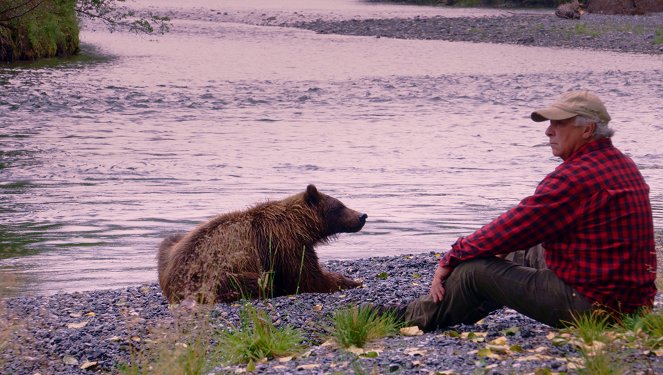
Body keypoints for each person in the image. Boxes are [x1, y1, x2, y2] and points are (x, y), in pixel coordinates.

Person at [399, 90, 657, 331]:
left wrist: (453, 256)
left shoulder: (575, 177)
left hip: (594, 307)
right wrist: (491, 247)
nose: (548, 132)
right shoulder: (621, 163)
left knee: (473, 271)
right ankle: (456, 306)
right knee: (511, 248)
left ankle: (409, 320)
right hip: (630, 303)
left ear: (588, 129)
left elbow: (516, 224)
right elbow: (519, 231)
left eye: (559, 124)